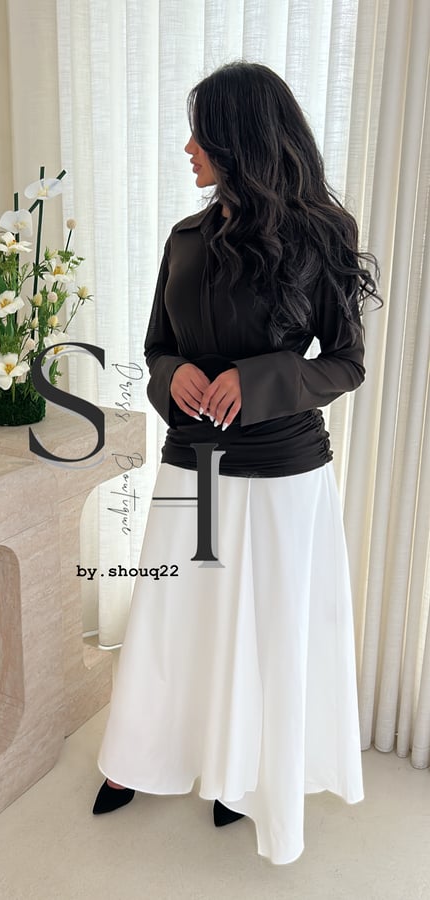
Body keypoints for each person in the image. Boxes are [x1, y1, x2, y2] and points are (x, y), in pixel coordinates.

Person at [92, 61, 380, 866]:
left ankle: (242, 776)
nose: (188, 148)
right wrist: (169, 375)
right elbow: (157, 346)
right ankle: (138, 759)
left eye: (201, 134)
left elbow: (347, 363)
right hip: (193, 462)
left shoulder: (324, 233)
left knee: (264, 633)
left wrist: (257, 381)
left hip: (284, 473)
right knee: (172, 622)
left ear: (239, 139)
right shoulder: (183, 239)